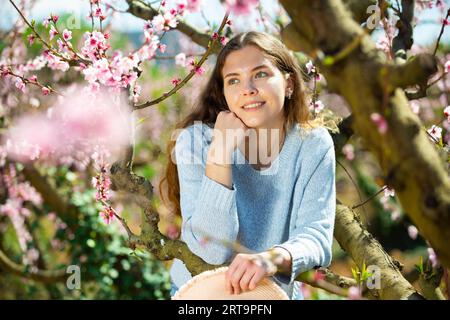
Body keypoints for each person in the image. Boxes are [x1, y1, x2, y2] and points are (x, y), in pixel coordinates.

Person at [159, 31, 336, 300]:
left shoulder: (313, 144)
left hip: (272, 293)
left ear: (288, 84)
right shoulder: (195, 142)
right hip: (202, 292)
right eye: (234, 80)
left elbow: (317, 236)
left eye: (261, 74)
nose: (248, 89)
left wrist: (271, 259)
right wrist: (220, 152)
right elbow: (209, 250)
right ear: (224, 94)